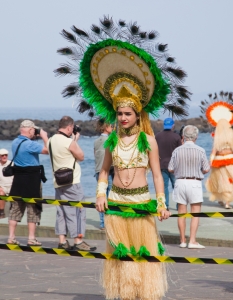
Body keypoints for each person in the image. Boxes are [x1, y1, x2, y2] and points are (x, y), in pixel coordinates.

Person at [55, 17, 190, 300]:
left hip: (142, 202)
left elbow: (157, 174)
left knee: (145, 255)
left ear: (137, 114)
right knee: (121, 257)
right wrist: (100, 194)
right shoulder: (112, 140)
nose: (123, 117)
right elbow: (104, 171)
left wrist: (163, 204)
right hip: (117, 203)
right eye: (119, 113)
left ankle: (145, 294)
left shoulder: (149, 139)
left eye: (128, 113)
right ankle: (125, 294)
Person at [47, 116, 96, 251]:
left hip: (57, 181)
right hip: (72, 181)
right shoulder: (68, 142)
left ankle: (62, 241)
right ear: (69, 127)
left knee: (61, 211)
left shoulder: (51, 140)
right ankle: (78, 240)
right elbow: (81, 156)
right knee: (79, 210)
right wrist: (75, 140)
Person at [168, 125, 210, 249]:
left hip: (180, 182)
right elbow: (206, 168)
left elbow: (170, 168)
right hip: (195, 182)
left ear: (183, 137)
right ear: (196, 137)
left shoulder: (177, 150)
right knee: (195, 213)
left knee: (181, 212)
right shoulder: (201, 150)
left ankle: (182, 240)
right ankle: (192, 241)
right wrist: (200, 173)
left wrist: (178, 172)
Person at [8, 120, 48, 245]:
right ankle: (31, 238)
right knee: (33, 209)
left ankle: (11, 237)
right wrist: (44, 136)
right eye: (33, 130)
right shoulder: (30, 145)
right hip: (32, 180)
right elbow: (47, 150)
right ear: (30, 130)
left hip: (18, 179)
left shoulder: (15, 142)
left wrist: (33, 136)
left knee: (15, 209)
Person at [206, 118, 233, 209]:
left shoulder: (217, 138)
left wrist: (210, 162)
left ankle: (221, 199)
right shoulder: (231, 136)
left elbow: (213, 152)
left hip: (218, 161)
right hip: (230, 160)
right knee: (229, 182)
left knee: (220, 181)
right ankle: (227, 203)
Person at [156, 118, 182, 209]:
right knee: (176, 186)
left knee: (164, 187)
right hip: (174, 166)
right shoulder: (176, 137)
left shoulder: (158, 136)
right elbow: (180, 151)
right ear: (173, 126)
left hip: (161, 165)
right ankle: (179, 205)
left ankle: (165, 205)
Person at [94, 119, 114, 230]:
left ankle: (102, 223)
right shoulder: (111, 140)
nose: (112, 127)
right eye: (110, 125)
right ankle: (110, 221)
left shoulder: (96, 141)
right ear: (106, 127)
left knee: (101, 197)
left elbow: (95, 155)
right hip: (108, 171)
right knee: (110, 197)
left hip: (98, 171)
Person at [0, 149, 14, 218]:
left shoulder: (12, 164)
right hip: (3, 187)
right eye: (2, 155)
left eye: (6, 155)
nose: (4, 157)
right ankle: (1, 212)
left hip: (12, 186)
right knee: (1, 192)